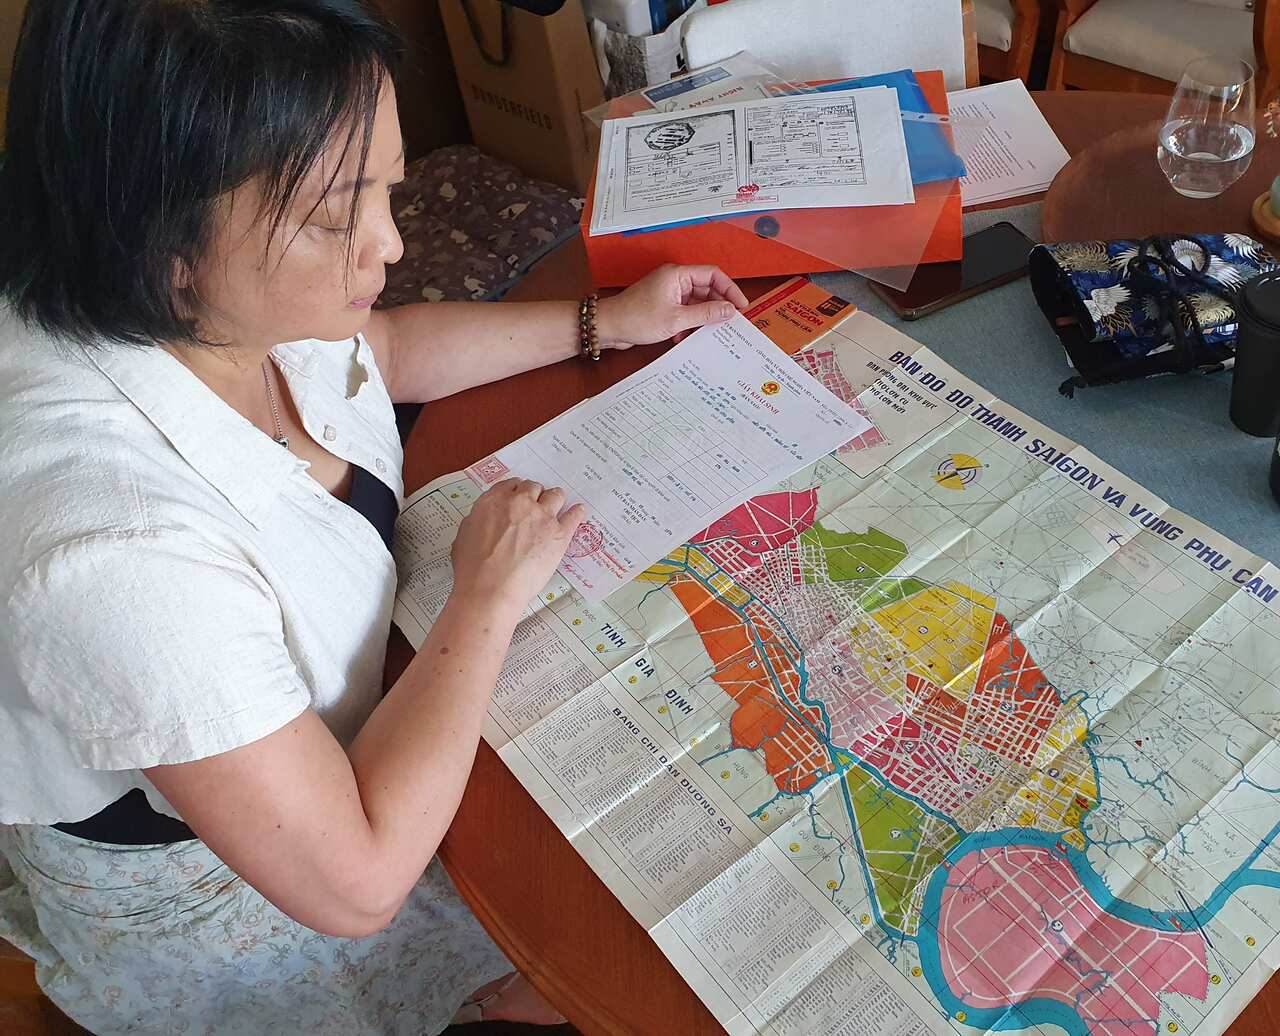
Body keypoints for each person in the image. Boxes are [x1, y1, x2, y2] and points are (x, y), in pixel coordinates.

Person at [0, 1, 748, 1032]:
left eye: (386, 191)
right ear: (163, 253)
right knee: (616, 954)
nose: (390, 244)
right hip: (235, 903)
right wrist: (483, 601)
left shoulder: (220, 302)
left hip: (338, 746)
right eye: (334, 216)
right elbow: (354, 882)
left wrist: (605, 321)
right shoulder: (117, 554)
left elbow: (378, 355)